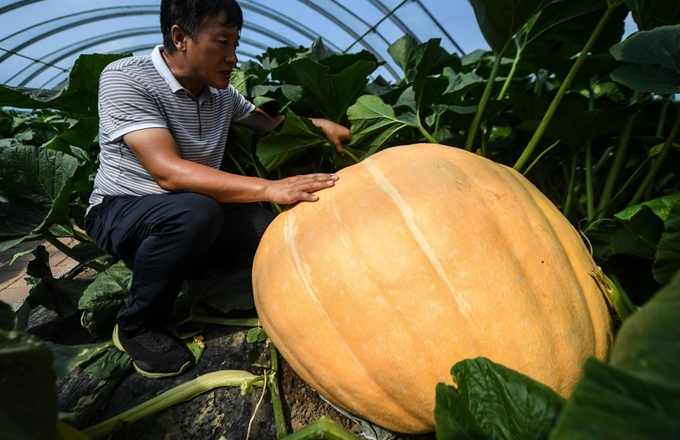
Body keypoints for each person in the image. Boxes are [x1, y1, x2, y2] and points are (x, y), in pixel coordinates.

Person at [85, 0, 352, 378]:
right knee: (196, 212)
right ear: (180, 37)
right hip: (122, 208)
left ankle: (186, 271)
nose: (233, 57)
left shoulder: (221, 96)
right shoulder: (126, 78)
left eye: (236, 45)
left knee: (266, 229)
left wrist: (319, 124)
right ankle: (137, 325)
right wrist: (270, 187)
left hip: (191, 212)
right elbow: (169, 174)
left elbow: (269, 122)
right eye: (223, 42)